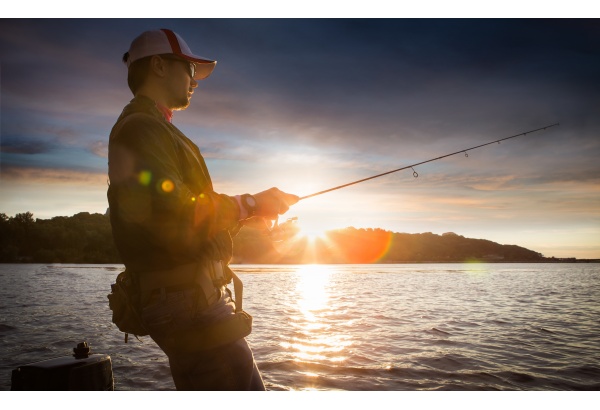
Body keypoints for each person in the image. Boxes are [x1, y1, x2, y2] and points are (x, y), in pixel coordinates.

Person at [107, 28, 298, 390]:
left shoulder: (154, 128)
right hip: (187, 303)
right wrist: (250, 202)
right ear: (159, 66)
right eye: (189, 70)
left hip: (189, 298)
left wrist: (246, 214)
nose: (195, 81)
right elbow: (172, 210)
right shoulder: (141, 129)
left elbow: (179, 222)